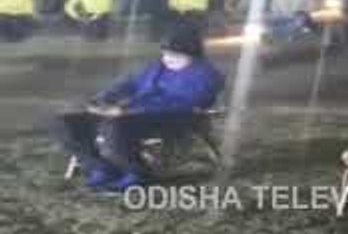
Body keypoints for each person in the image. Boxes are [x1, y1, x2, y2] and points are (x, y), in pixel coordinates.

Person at [54, 26, 225, 192]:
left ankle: (137, 173)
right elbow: (131, 84)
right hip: (131, 111)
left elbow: (186, 103)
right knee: (66, 123)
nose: (167, 58)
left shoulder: (206, 75)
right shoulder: (158, 67)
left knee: (114, 126)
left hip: (172, 117)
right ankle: (101, 167)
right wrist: (104, 97)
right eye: (165, 53)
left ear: (192, 54)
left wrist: (133, 111)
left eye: (175, 54)